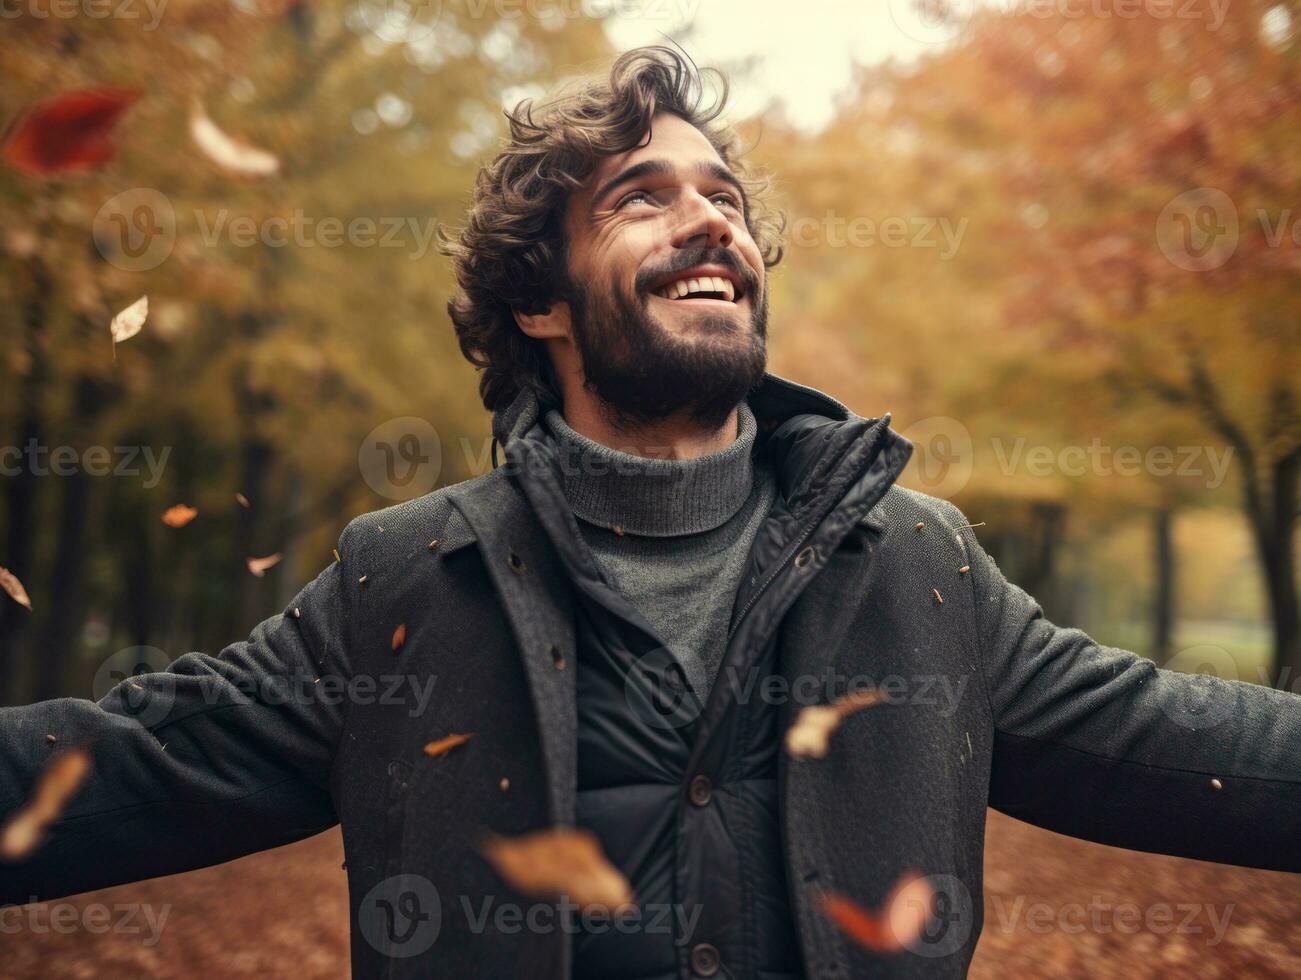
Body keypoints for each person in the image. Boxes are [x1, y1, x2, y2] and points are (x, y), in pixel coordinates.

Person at [2, 46, 1298, 980]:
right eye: (641, 197)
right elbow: (121, 769)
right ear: (539, 301)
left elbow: (1172, 740)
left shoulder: (916, 564)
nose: (709, 222)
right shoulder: (402, 583)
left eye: (723, 197)